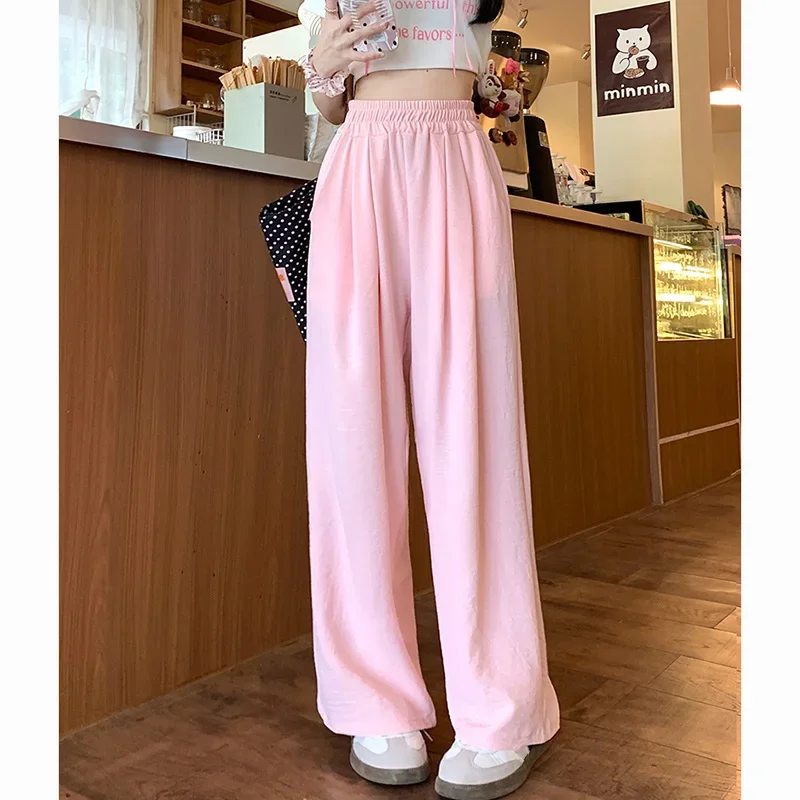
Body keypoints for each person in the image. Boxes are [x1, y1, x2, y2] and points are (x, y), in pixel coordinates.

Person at [298, 2, 560, 797]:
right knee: (352, 435)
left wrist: (500, 89)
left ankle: (500, 704)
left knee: (473, 434)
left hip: (455, 160)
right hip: (360, 166)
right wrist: (322, 69)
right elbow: (331, 106)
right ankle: (372, 697)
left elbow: (489, 77)